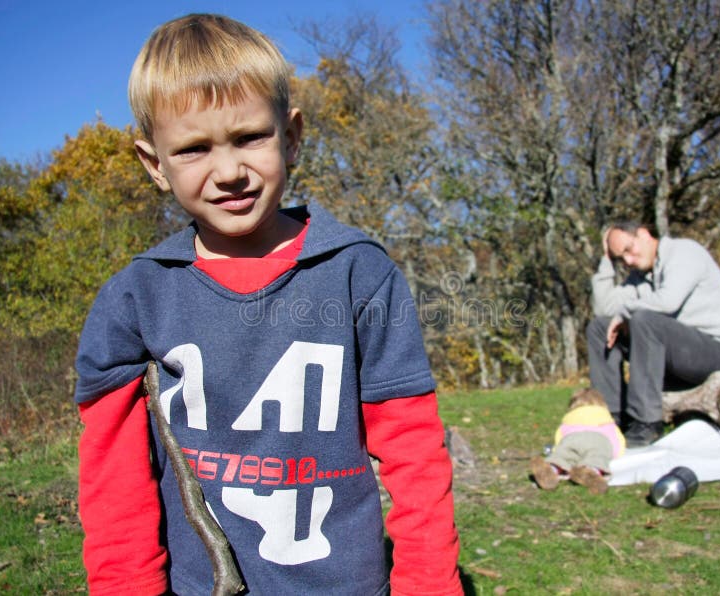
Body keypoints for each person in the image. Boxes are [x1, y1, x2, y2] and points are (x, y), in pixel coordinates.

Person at [73, 14, 462, 596]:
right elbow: (115, 489)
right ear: (155, 165)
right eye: (194, 149)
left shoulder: (360, 272)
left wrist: (429, 585)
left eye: (250, 137)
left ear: (293, 135)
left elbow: (415, 456)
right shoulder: (134, 301)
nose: (229, 171)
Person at [586, 221, 720, 447]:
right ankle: (610, 419)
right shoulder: (640, 276)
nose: (628, 261)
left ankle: (646, 423)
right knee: (600, 327)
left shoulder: (684, 252)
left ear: (643, 234)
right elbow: (603, 309)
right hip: (679, 354)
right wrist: (606, 261)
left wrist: (624, 314)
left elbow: (668, 302)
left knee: (644, 319)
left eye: (629, 250)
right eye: (620, 258)